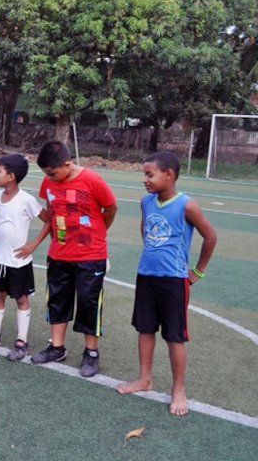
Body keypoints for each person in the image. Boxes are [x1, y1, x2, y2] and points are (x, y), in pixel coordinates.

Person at [117, 151, 216, 416]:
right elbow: (146, 229)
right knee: (145, 329)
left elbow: (210, 237)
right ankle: (144, 378)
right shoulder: (146, 202)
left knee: (175, 336)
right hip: (146, 276)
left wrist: (198, 271)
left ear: (169, 175)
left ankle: (179, 390)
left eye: (150, 175)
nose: (145, 180)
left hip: (174, 280)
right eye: (144, 175)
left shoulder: (187, 206)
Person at [31, 141, 118, 377]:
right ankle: (57, 347)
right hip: (58, 254)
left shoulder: (92, 180)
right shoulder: (49, 180)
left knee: (89, 303)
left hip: (91, 256)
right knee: (57, 300)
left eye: (53, 173)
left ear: (68, 164)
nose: (50, 178)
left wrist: (97, 234)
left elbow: (110, 209)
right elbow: (51, 210)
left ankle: (91, 352)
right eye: (47, 174)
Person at [0, 154, 50, 361]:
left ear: (11, 177)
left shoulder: (26, 200)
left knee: (21, 299)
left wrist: (33, 245)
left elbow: (48, 220)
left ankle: (21, 341)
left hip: (18, 261)